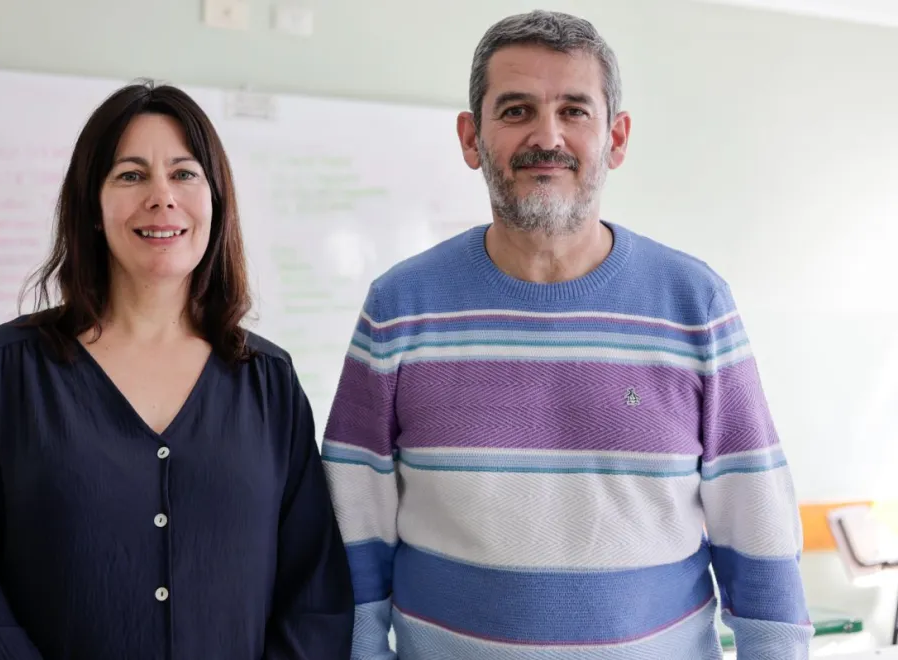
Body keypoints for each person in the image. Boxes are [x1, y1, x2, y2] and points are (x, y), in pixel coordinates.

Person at [322, 10, 812, 660]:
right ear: (472, 138)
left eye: (575, 111)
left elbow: (761, 541)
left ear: (617, 137)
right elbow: (352, 531)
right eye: (517, 110)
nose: (547, 136)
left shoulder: (696, 306)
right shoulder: (398, 308)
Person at [0, 81, 353, 659]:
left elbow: (314, 594)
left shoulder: (267, 381)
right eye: (130, 174)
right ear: (92, 208)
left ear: (215, 200)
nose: (162, 196)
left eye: (185, 173)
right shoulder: (11, 370)